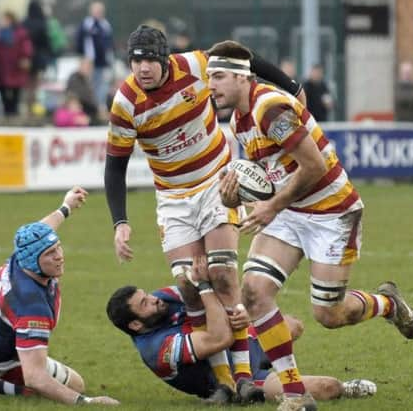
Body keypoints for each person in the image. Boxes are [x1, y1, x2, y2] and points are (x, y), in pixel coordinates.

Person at [205, 40, 413, 411]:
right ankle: (294, 395)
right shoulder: (238, 119)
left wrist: (271, 206)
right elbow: (267, 177)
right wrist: (233, 197)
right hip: (290, 213)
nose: (211, 85)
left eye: (219, 76)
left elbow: (316, 166)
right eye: (209, 77)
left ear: (243, 77)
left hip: (333, 213)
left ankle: (387, 303)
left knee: (330, 315)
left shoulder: (270, 110)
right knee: (254, 294)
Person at [104, 24, 306, 402]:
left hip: (218, 181)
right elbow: (114, 167)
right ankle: (224, 381)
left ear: (164, 59)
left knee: (223, 276)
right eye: (135, 60)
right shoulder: (125, 103)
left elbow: (244, 60)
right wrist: (120, 222)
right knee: (188, 285)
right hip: (173, 198)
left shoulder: (196, 65)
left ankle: (244, 376)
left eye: (149, 59)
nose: (142, 67)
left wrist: (288, 85)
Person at [0, 187, 120, 406]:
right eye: (50, 253)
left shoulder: (22, 256)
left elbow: (41, 230)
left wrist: (66, 207)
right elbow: (35, 377)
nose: (60, 256)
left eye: (58, 247)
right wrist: (86, 402)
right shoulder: (32, 307)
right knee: (74, 385)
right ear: (34, 260)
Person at [106, 256, 377, 405]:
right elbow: (219, 338)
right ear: (135, 325)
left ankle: (273, 356)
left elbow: (222, 301)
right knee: (326, 387)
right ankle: (346, 388)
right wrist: (204, 288)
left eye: (146, 295)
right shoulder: (157, 350)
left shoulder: (161, 300)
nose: (153, 299)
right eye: (144, 303)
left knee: (293, 324)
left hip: (243, 342)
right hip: (233, 379)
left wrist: (242, 314)